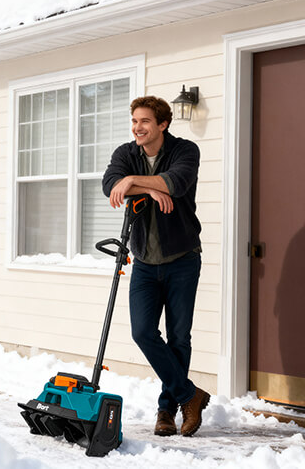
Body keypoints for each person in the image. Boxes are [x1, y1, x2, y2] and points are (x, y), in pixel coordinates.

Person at [102, 96, 210, 437]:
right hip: (145, 263)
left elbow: (175, 183)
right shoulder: (126, 152)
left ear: (162, 124)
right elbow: (110, 187)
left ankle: (166, 411)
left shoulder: (185, 150)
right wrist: (151, 188)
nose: (137, 128)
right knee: (142, 332)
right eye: (134, 121)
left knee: (179, 336)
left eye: (145, 121)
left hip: (183, 259)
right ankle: (190, 396)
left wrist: (134, 184)